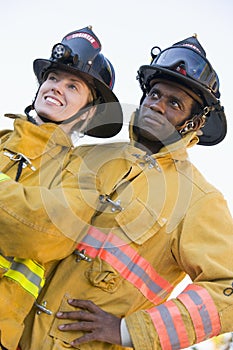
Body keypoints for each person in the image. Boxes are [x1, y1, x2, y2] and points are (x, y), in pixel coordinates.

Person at [19, 35, 233, 350]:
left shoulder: (199, 200)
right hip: (16, 336)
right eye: (155, 94)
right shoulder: (87, 157)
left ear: (194, 122)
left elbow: (227, 288)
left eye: (174, 103)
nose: (158, 105)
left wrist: (129, 330)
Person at [0, 26, 122, 350]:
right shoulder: (1, 140)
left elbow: (40, 232)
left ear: (89, 113)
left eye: (72, 86)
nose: (56, 88)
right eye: (52, 78)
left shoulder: (82, 176)